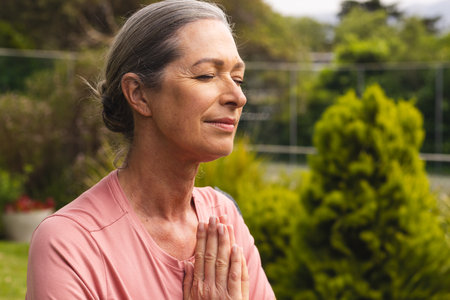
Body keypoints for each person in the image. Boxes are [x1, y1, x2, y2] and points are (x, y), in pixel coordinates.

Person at [26, 0, 275, 299]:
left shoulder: (223, 220)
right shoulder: (72, 243)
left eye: (237, 78)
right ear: (139, 94)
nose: (238, 96)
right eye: (207, 75)